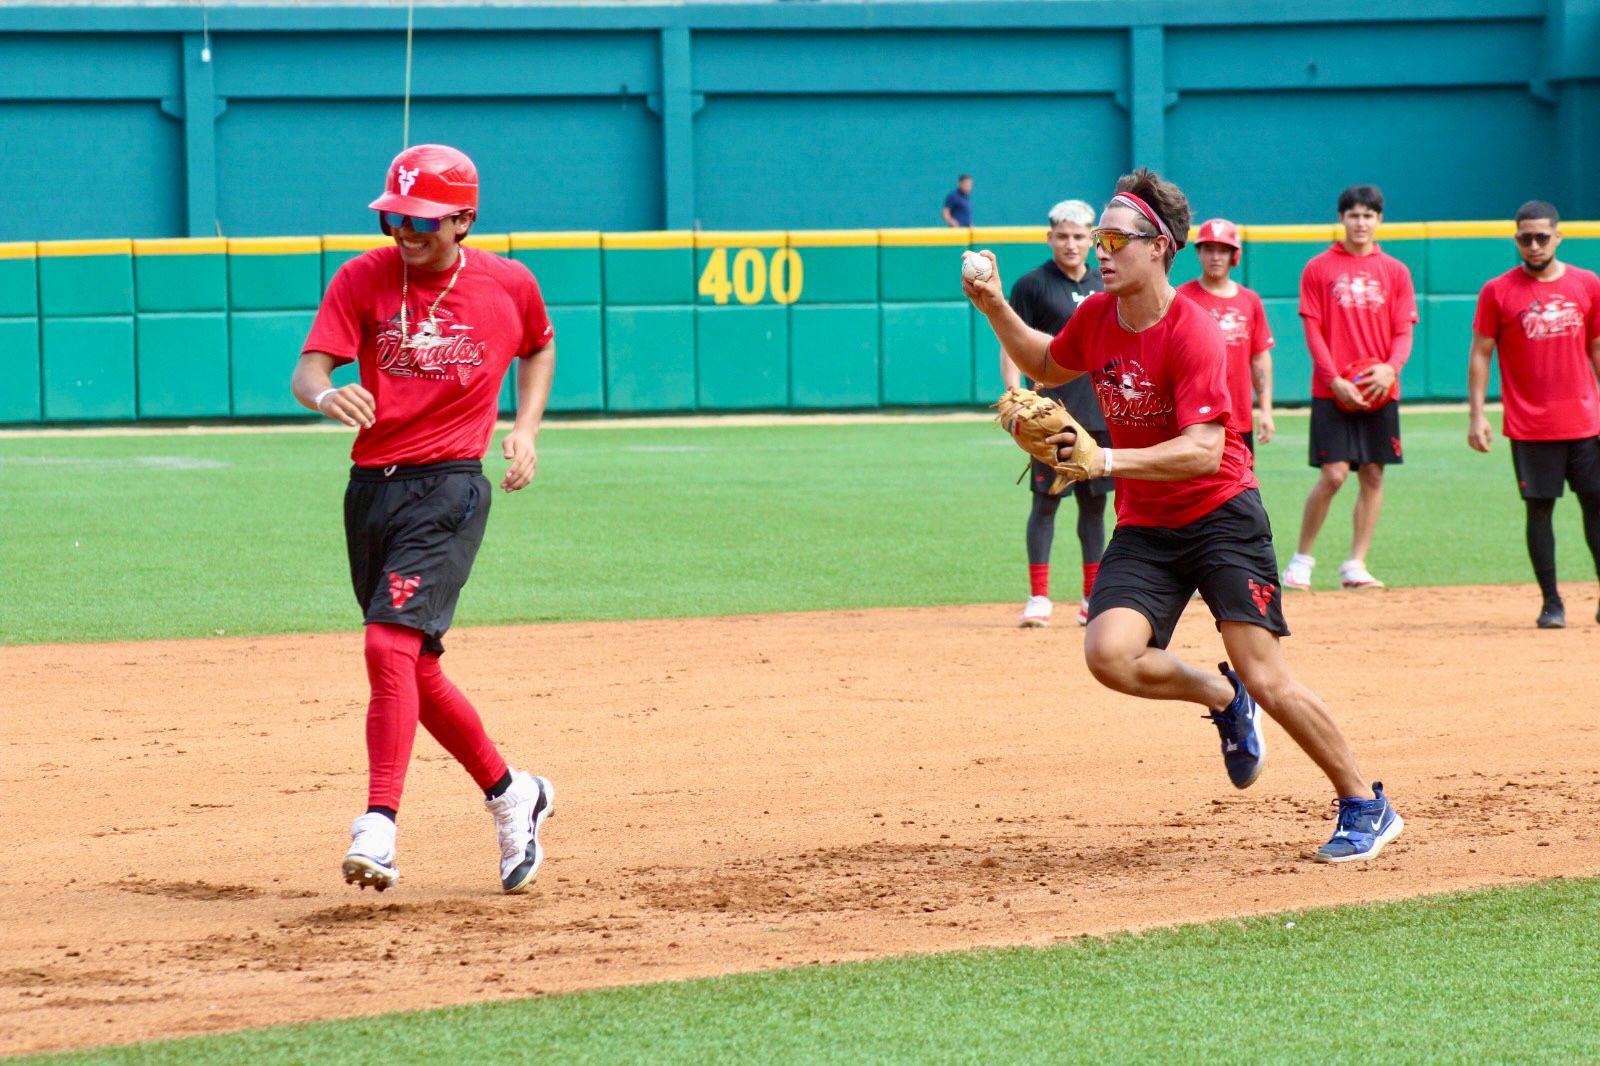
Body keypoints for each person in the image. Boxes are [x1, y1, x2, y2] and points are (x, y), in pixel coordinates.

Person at [963, 167, 1402, 862]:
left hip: (1222, 513)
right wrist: (992, 305)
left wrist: (1102, 461)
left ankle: (1364, 803)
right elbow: (1046, 364)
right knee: (1109, 654)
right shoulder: (1098, 318)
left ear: (1160, 247)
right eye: (1097, 237)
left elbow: (1203, 452)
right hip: (1147, 522)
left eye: (1116, 237)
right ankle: (1222, 701)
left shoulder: (1194, 333)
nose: (1100, 251)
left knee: (1265, 673)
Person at [290, 144, 558, 894]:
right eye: (394, 217)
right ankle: (514, 794)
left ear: (465, 220)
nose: (404, 232)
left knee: (386, 645)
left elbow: (539, 345)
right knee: (416, 663)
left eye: (422, 221)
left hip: (449, 488)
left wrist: (528, 428)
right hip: (372, 489)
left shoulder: (508, 284)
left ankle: (378, 823)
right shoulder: (362, 277)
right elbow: (310, 369)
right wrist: (323, 397)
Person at [1466, 200, 1600, 628]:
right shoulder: (1497, 290)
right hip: (1530, 424)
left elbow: (1596, 347)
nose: (1535, 244)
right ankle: (1552, 603)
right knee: (1539, 509)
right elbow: (1481, 354)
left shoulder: (1587, 284)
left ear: (1558, 237)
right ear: (1516, 240)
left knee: (1596, 506)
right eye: (1526, 237)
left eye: (1543, 236)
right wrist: (1477, 414)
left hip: (1584, 419)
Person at [1283, 184, 1417, 591]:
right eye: (1354, 215)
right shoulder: (1319, 268)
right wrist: (1334, 380)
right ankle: (1301, 559)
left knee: (1373, 473)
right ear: (1341, 218)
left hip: (1379, 390)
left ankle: (1356, 563)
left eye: (1369, 215)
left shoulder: (1396, 271)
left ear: (1380, 220)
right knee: (1335, 474)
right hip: (1334, 390)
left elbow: (1403, 330)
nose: (1361, 222)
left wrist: (1390, 370)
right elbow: (1313, 329)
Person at [1001, 199, 1107, 627]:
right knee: (1045, 503)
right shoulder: (1031, 285)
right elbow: (1010, 341)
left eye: (1080, 236)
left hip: (1099, 413)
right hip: (1052, 415)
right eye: (1062, 236)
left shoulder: (1107, 283)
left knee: (1094, 507)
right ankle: (1039, 598)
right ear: (1049, 238)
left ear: (1092, 240)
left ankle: (1091, 599)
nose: (1071, 244)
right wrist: (1012, 396)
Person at [1176, 219, 1276, 456]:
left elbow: (1260, 358)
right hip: (1192, 417)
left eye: (1223, 250)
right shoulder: (1180, 298)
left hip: (1238, 417)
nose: (1216, 257)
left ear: (1234, 255)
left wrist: (1266, 410)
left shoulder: (1250, 300)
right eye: (1209, 249)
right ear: (1198, 252)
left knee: (1240, 489)